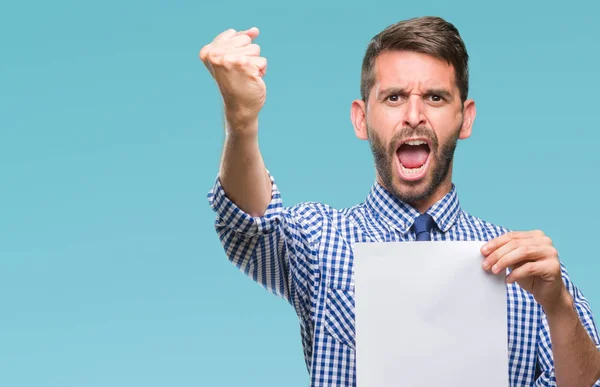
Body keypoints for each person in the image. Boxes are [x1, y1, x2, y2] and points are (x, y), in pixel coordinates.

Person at [200, 16, 600, 386]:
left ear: (466, 117)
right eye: (393, 98)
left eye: (436, 98)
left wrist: (558, 304)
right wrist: (241, 118)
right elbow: (248, 224)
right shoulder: (319, 239)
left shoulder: (524, 268)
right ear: (361, 118)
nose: (413, 115)